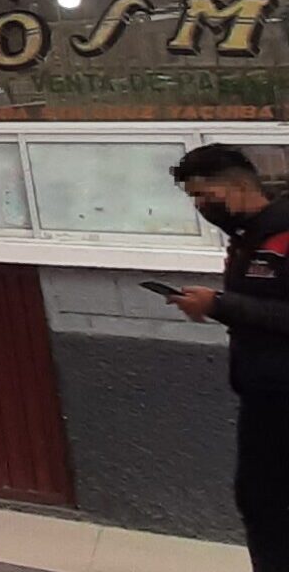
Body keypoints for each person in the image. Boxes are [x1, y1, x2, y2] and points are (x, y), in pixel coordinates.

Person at [165, 144, 289, 572]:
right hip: (263, 397)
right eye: (194, 199)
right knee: (259, 501)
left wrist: (220, 305)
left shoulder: (284, 233)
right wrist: (213, 308)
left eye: (205, 195)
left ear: (239, 185)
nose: (202, 207)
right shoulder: (244, 241)